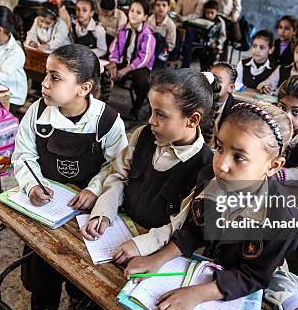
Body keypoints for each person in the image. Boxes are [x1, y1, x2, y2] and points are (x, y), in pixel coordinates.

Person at [124, 100, 298, 310]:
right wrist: (157, 259)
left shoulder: (282, 220)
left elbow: (253, 276)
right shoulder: (210, 180)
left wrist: (196, 294)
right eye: (219, 148)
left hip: (241, 288)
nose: (221, 164)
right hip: (205, 264)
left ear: (273, 165)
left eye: (239, 157)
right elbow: (194, 231)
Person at [13, 44, 128, 310]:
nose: (45, 83)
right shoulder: (37, 113)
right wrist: (33, 186)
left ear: (84, 87)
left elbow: (117, 166)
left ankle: (79, 295)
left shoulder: (108, 121)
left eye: (55, 77)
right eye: (46, 75)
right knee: (41, 259)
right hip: (47, 206)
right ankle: (43, 308)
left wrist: (93, 189)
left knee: (83, 262)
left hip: (86, 210)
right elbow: (24, 155)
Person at [82, 68, 218, 262]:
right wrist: (104, 211)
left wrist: (141, 245)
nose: (151, 121)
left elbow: (179, 225)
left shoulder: (205, 167)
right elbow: (119, 176)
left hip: (153, 252)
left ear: (193, 120)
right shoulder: (143, 135)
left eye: (161, 115)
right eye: (152, 111)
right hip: (117, 228)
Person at [107, 0, 155, 120]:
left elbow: (144, 57)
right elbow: (115, 47)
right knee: (105, 72)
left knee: (143, 82)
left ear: (144, 17)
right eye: (132, 10)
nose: (133, 14)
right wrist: (113, 63)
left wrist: (126, 70)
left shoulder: (148, 35)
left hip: (140, 66)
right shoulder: (123, 29)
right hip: (124, 60)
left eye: (138, 12)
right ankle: (103, 102)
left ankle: (136, 108)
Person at [198, 0, 227, 71]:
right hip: (204, 43)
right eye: (207, 13)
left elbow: (223, 36)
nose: (209, 15)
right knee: (201, 52)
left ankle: (207, 68)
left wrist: (216, 43)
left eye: (212, 13)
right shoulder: (202, 21)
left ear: (216, 12)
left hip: (216, 44)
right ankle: (203, 69)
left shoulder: (220, 22)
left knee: (213, 53)